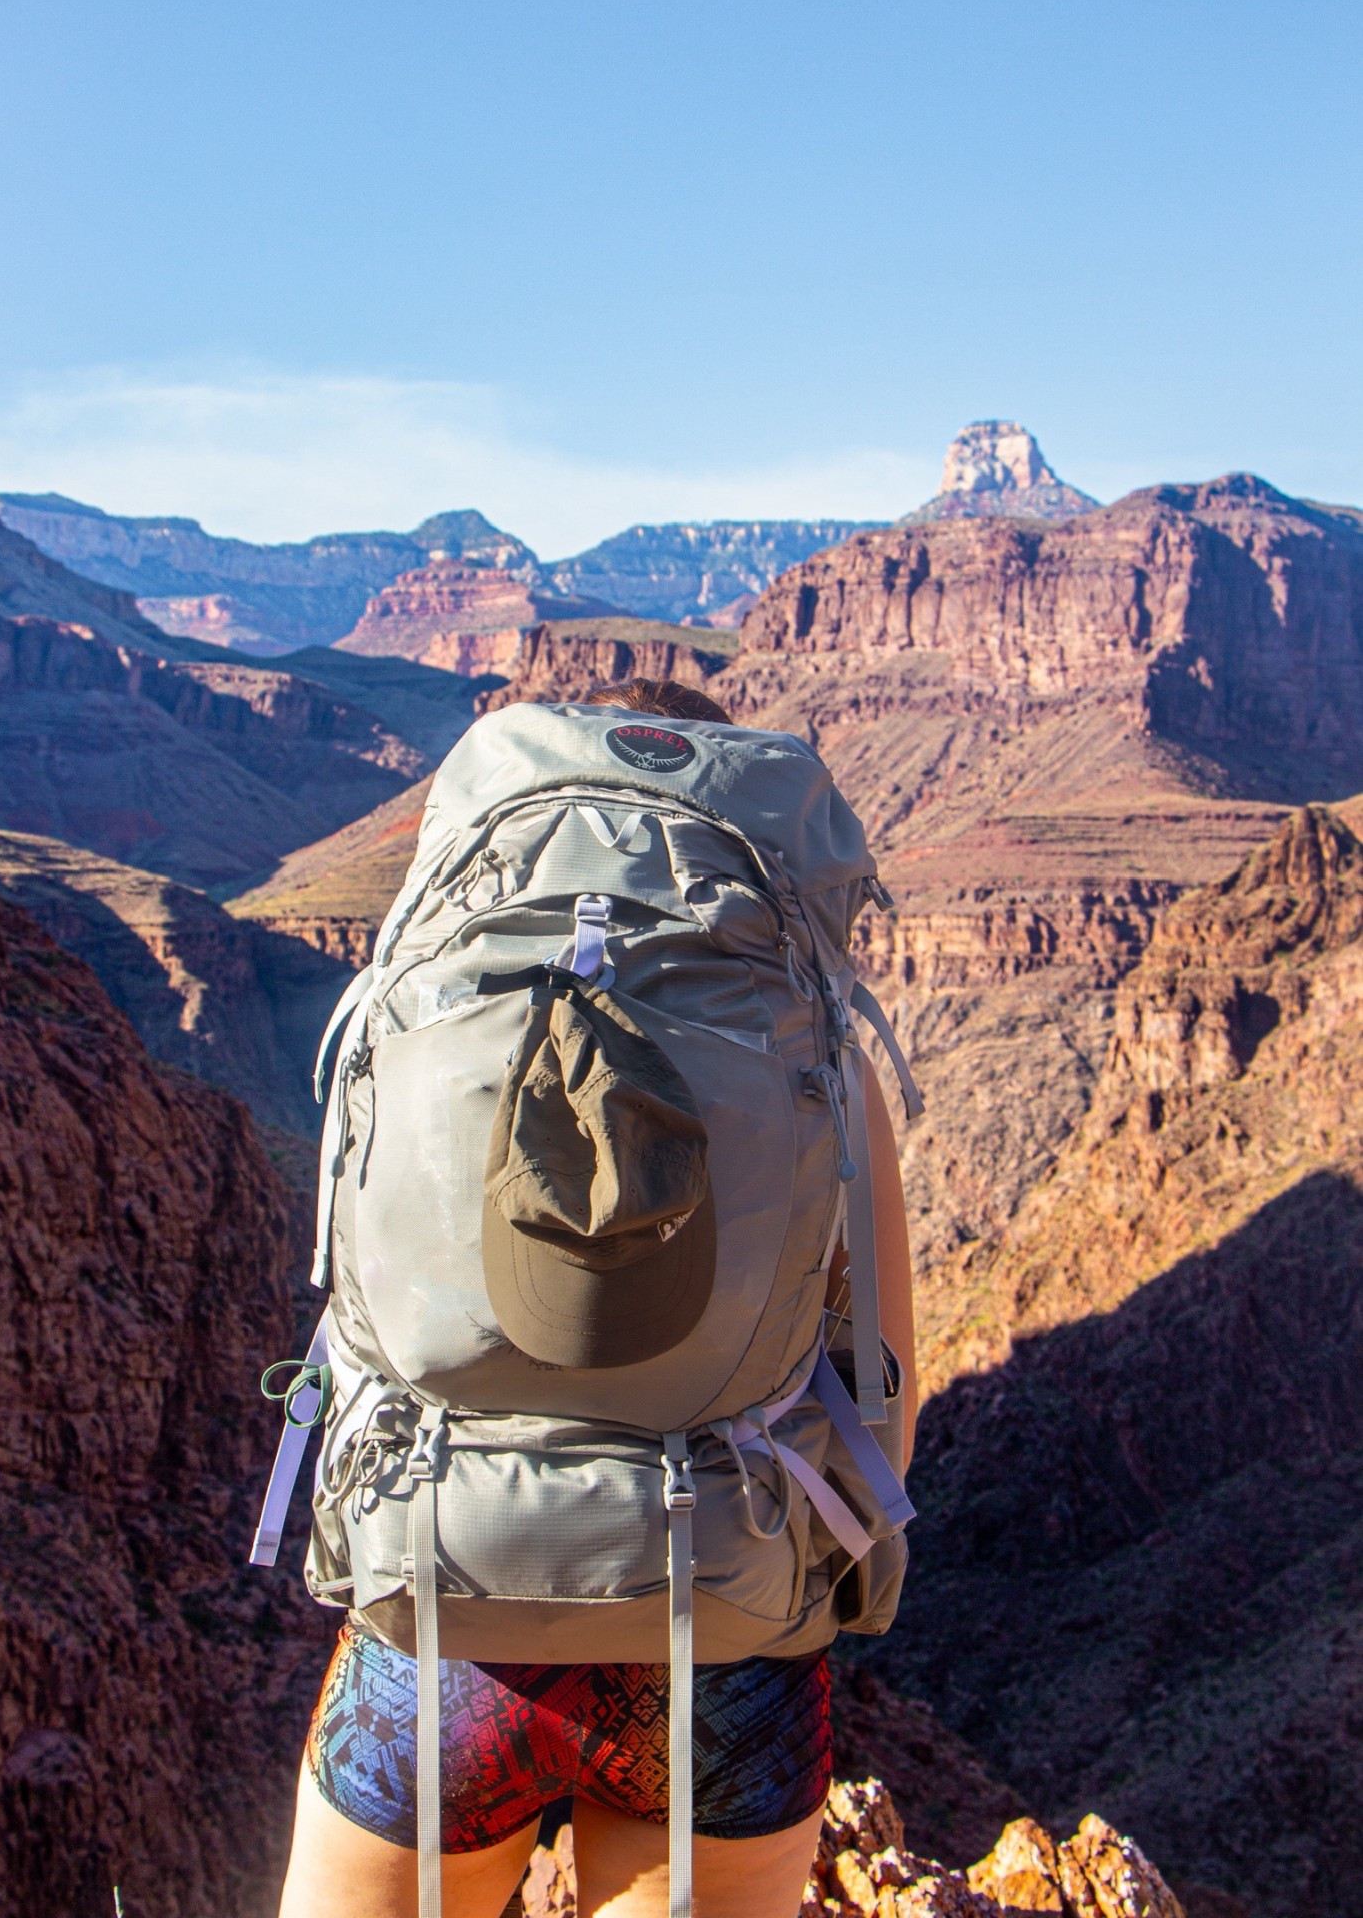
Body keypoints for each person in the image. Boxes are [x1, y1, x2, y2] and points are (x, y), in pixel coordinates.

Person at [278, 678, 918, 1918]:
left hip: (441, 1619)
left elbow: (355, 1304)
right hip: (722, 1644)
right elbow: (880, 1366)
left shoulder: (454, 984)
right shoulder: (817, 1041)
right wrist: (847, 1584)